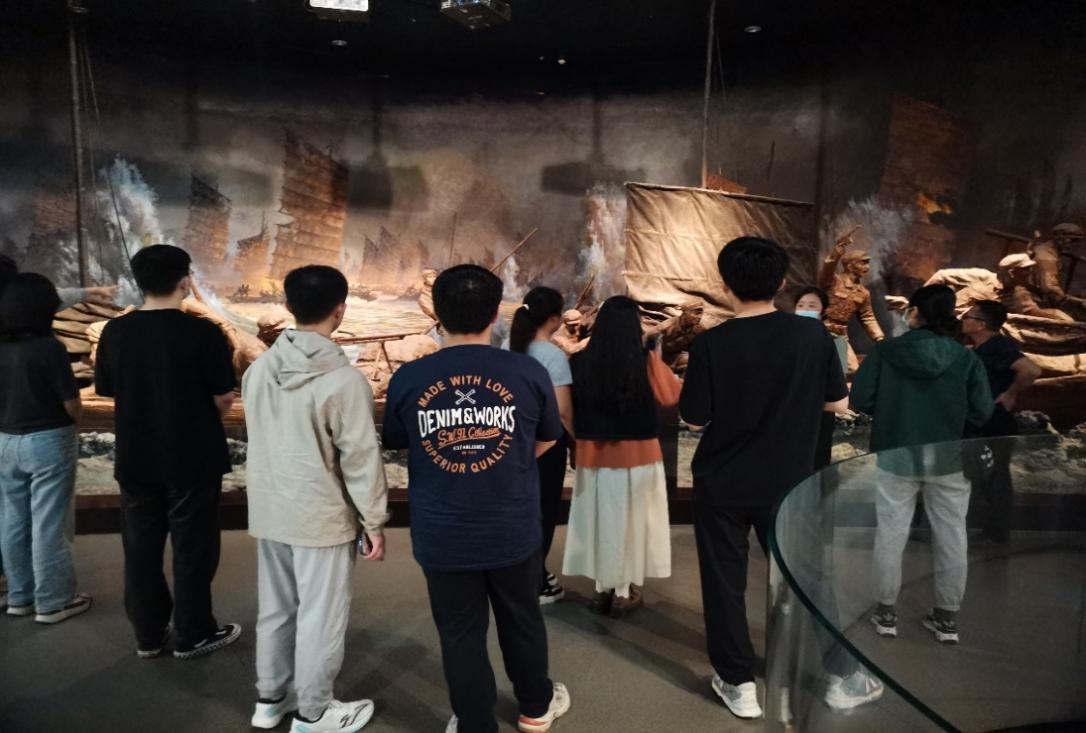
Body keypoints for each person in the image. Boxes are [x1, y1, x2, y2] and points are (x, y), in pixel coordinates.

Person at [679, 237, 870, 720]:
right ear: (782, 282)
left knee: (724, 583)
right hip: (788, 481)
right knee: (809, 576)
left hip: (722, 481)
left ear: (725, 283)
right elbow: (838, 402)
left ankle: (738, 683)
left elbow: (695, 419)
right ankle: (841, 675)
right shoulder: (812, 336)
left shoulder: (712, 343)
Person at [383, 265, 570, 733]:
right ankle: (535, 708)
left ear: (437, 314)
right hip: (512, 525)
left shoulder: (409, 378)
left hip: (442, 530)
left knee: (460, 632)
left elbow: (404, 443)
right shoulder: (527, 371)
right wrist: (509, 457)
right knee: (522, 619)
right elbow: (549, 438)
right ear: (494, 315)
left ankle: (474, 723)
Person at [243, 265, 389, 733]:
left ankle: (270, 699)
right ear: (340, 310)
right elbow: (361, 460)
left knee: (276, 609)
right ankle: (314, 712)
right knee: (321, 617)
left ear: (288, 306)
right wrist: (374, 521)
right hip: (321, 516)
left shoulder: (259, 371)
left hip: (271, 509)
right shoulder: (345, 381)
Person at [94, 244, 241, 660]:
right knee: (193, 548)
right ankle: (193, 633)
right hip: (193, 457)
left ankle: (148, 634)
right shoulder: (204, 333)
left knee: (140, 549)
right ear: (185, 281)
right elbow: (223, 397)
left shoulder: (115, 331)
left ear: (139, 282)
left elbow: (108, 390)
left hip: (136, 456)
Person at [851, 284, 993, 645]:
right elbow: (982, 411)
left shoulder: (886, 352)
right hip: (949, 458)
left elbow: (861, 397)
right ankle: (947, 618)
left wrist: (891, 411)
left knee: (891, 532)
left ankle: (885, 612)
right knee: (952, 535)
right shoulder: (965, 358)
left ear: (915, 312)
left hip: (896, 454)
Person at [561, 295, 679, 617]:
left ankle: (602, 589)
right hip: (640, 454)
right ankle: (623, 592)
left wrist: (580, 437)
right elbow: (671, 396)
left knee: (600, 522)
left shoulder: (579, 361)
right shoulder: (645, 360)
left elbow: (565, 408)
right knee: (632, 524)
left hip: (594, 456)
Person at [0, 273, 90, 623]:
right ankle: (53, 601)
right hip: (48, 438)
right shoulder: (50, 348)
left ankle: (19, 596)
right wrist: (76, 423)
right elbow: (71, 402)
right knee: (48, 523)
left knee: (13, 519)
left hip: (7, 440)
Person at [507, 286, 574, 605]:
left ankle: (515, 574)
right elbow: (562, 410)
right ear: (555, 319)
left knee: (516, 509)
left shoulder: (507, 348)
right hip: (546, 446)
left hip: (511, 443)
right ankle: (535, 582)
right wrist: (579, 440)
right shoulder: (553, 356)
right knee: (543, 511)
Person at [960, 300, 1041, 545]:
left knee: (996, 476)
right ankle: (990, 530)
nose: (963, 319)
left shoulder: (998, 346)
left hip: (995, 422)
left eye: (968, 316)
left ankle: (996, 532)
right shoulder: (981, 348)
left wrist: (1010, 394)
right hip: (983, 421)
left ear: (981, 324)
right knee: (987, 475)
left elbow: (1031, 370)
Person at [794, 286, 849, 469]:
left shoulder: (835, 341)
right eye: (800, 305)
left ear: (823, 311)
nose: (805, 309)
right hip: (789, 415)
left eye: (812, 306)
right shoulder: (785, 339)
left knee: (816, 463)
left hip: (820, 415)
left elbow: (838, 387)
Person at [817, 234, 885, 373]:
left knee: (851, 369)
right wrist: (836, 253)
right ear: (850, 265)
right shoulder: (834, 281)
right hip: (820, 331)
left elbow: (868, 317)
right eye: (862, 263)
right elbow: (827, 270)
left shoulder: (863, 293)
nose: (867, 267)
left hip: (840, 335)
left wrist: (880, 339)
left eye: (867, 263)